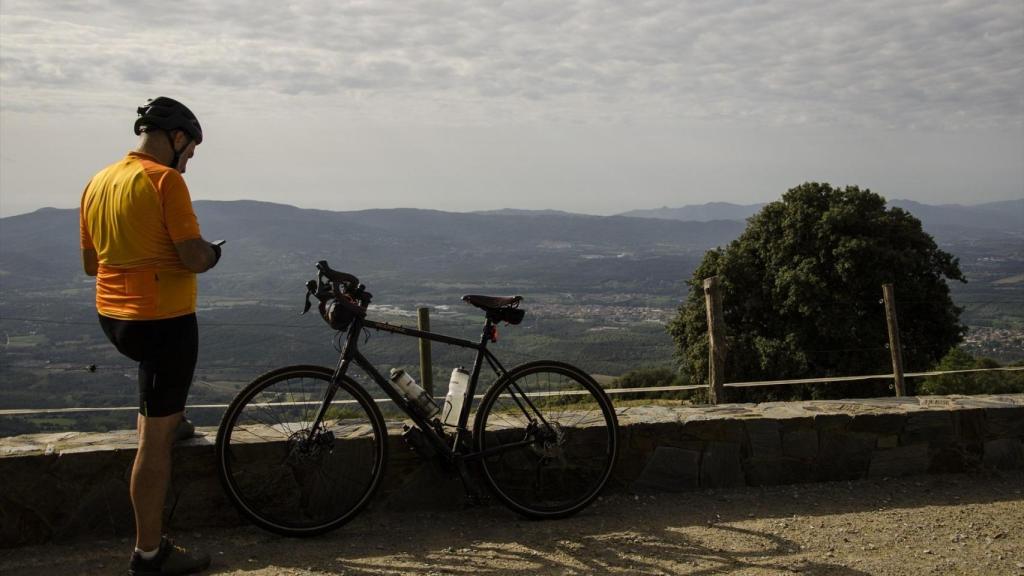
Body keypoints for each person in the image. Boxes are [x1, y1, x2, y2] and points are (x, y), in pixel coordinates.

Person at [80, 97, 220, 576]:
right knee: (153, 441)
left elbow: (89, 264)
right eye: (192, 151)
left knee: (157, 396)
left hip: (113, 317)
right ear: (178, 138)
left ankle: (170, 419)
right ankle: (149, 554)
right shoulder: (165, 180)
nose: (190, 162)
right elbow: (192, 256)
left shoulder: (98, 182)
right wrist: (213, 255)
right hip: (163, 320)